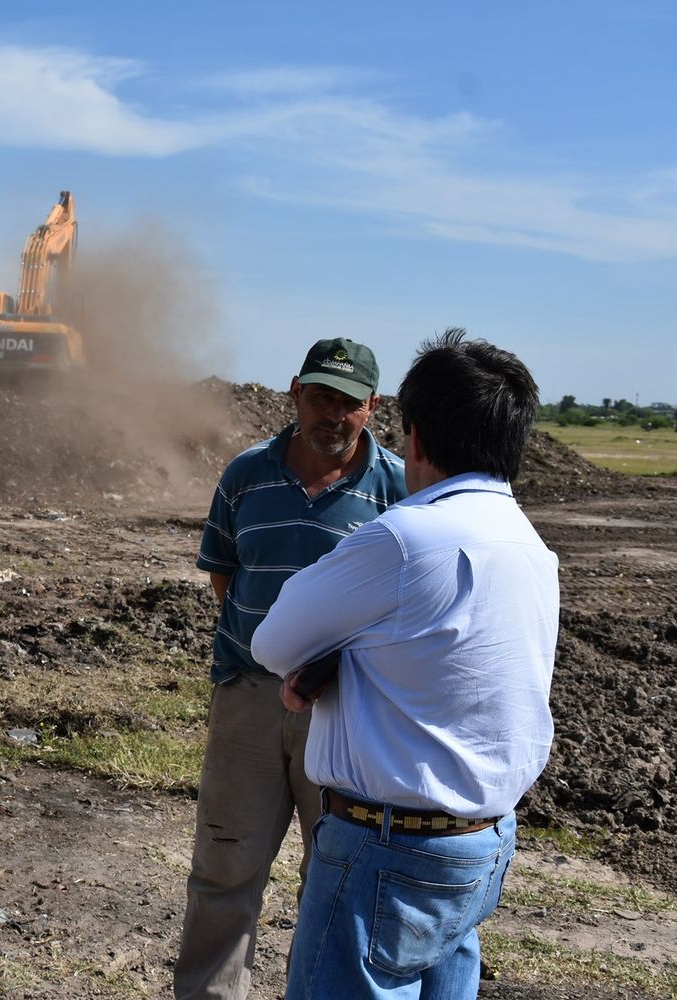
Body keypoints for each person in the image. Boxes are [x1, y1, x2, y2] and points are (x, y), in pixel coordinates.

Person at [251, 329, 557, 1000]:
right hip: (482, 844)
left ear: (413, 438)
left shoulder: (403, 539)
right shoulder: (531, 547)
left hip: (387, 850)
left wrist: (326, 663)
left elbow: (274, 641)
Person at [174, 337, 407, 1000]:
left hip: (345, 712)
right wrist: (267, 650)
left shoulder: (394, 488)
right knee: (225, 867)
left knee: (334, 875)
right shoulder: (247, 474)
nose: (331, 413)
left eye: (347, 402)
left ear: (372, 406)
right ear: (294, 394)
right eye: (319, 396)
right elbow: (224, 571)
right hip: (248, 699)